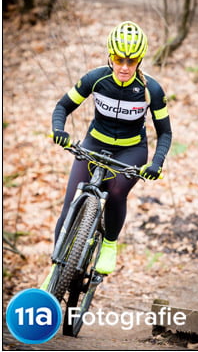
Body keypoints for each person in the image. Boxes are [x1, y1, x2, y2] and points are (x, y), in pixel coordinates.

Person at [42, 21, 171, 288]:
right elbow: (62, 106)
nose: (124, 66)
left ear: (140, 59)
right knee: (69, 206)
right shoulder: (95, 79)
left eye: (132, 60)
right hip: (92, 143)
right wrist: (59, 130)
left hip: (130, 150)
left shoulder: (151, 90)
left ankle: (109, 245)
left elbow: (165, 133)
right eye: (118, 59)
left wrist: (157, 162)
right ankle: (54, 272)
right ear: (109, 56)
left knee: (115, 193)